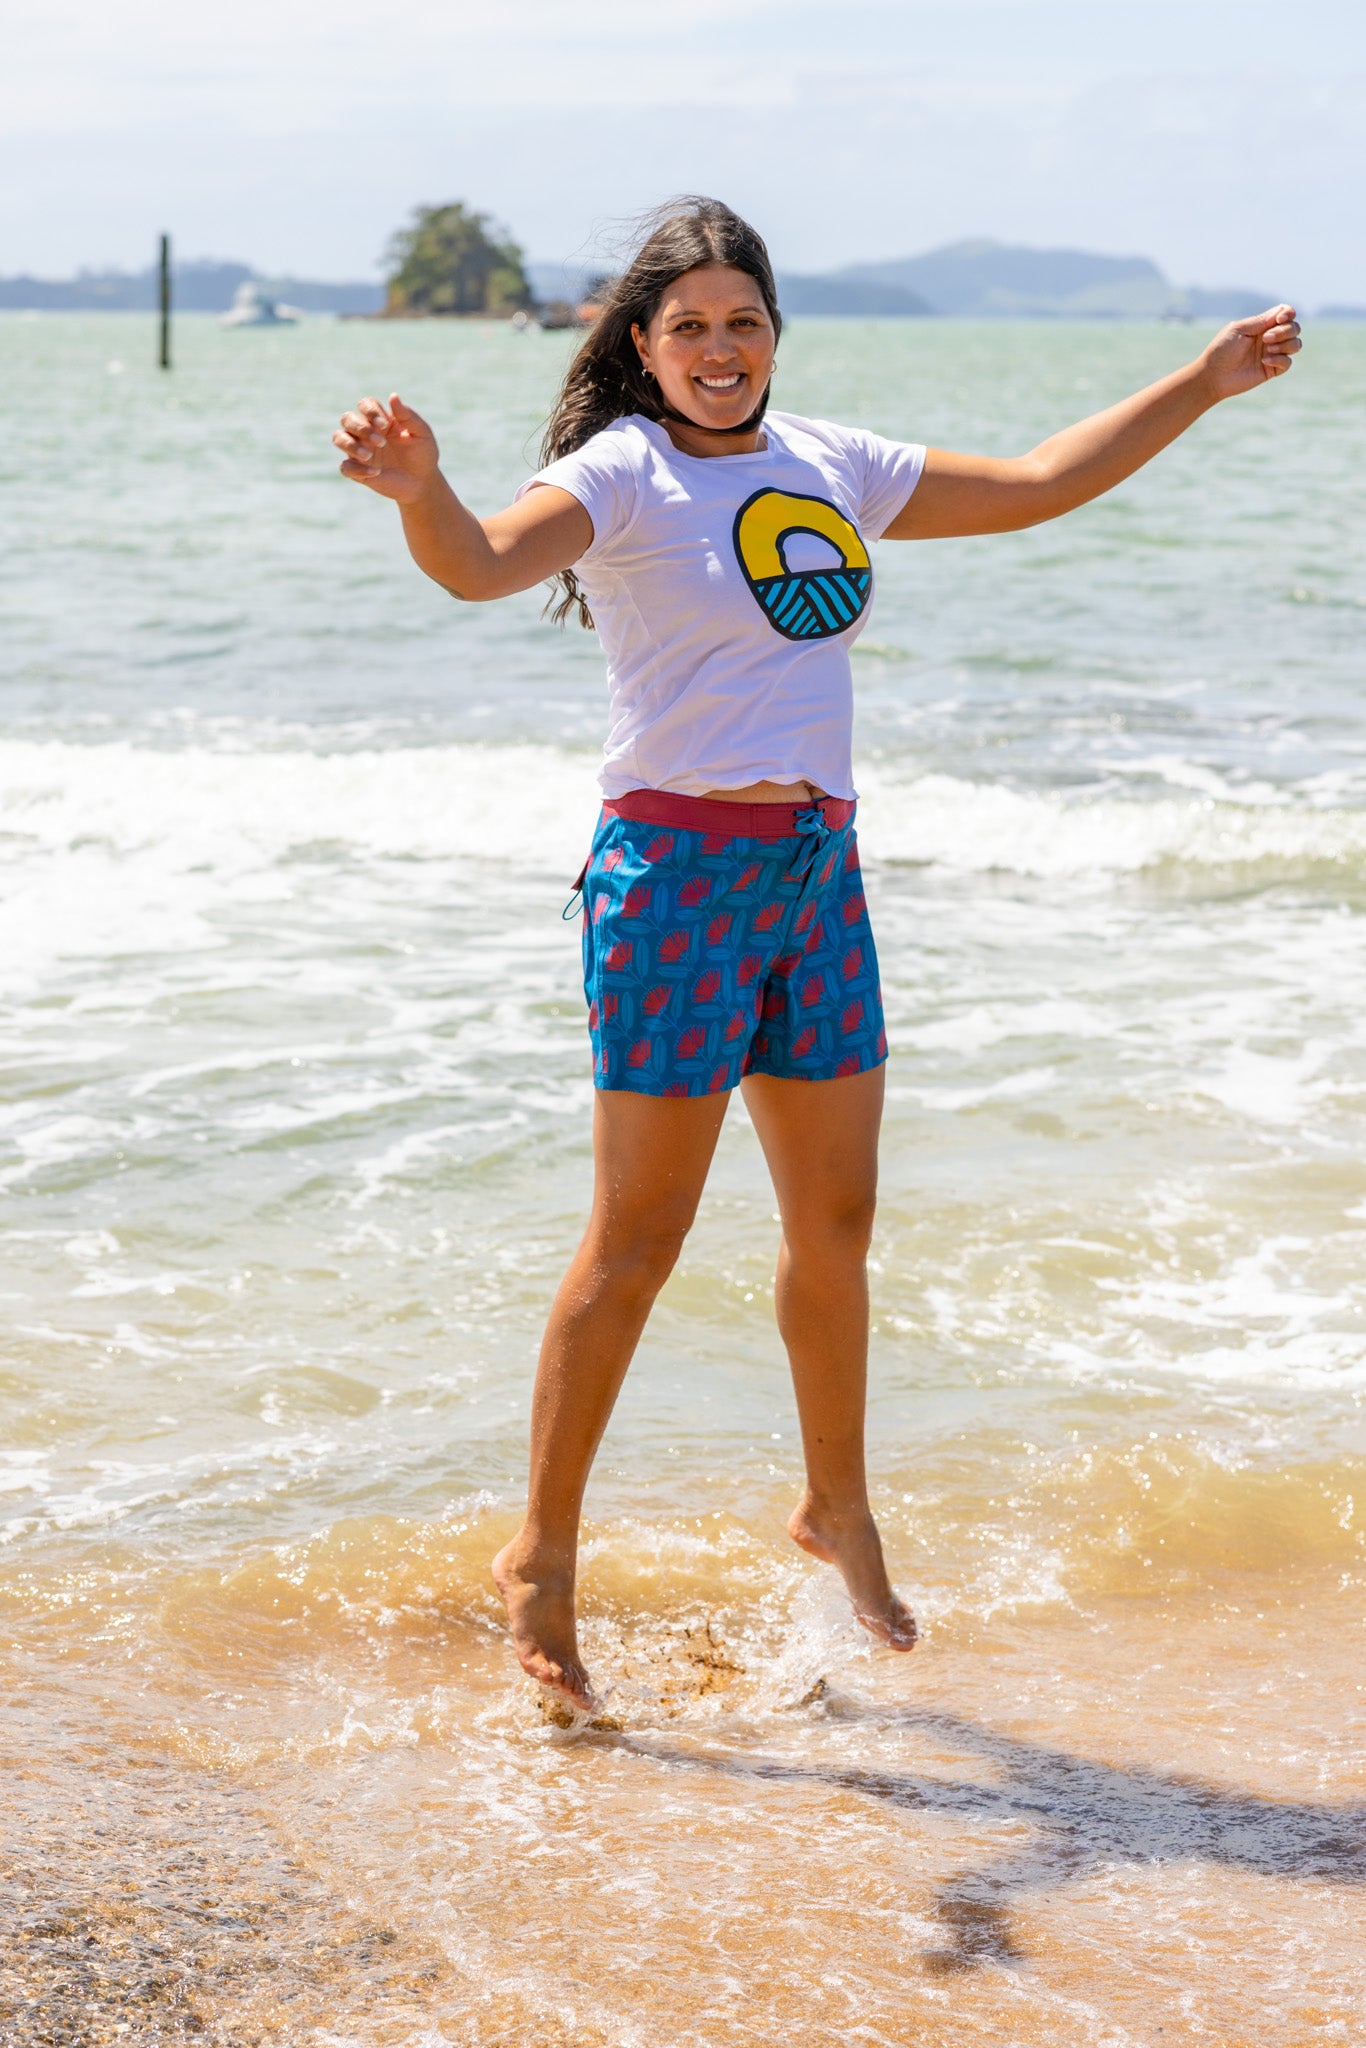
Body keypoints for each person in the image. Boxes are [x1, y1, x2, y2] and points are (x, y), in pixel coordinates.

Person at [333, 197, 1300, 1713]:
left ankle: (835, 1505)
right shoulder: (622, 473)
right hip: (671, 881)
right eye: (691, 328)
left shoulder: (828, 463)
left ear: (773, 336)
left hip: (812, 872)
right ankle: (542, 1558)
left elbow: (1045, 482)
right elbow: (478, 564)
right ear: (642, 351)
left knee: (834, 1224)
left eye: (745, 323)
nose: (721, 351)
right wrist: (418, 489)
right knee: (637, 1242)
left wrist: (1199, 381)